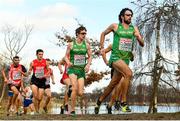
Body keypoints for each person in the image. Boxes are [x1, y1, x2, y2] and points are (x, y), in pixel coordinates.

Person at [95, 8, 144, 114]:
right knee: (129, 74)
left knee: (113, 84)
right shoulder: (115, 26)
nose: (130, 17)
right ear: (122, 16)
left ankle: (99, 101)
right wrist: (102, 47)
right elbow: (103, 33)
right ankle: (123, 102)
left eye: (131, 15)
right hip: (115, 58)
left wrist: (138, 37)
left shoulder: (134, 28)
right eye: (127, 15)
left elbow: (142, 43)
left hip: (125, 60)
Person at [65, 26, 92, 115]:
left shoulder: (87, 45)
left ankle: (70, 90)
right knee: (75, 88)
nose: (84, 35)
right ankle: (72, 110)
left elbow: (90, 56)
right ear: (77, 34)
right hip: (72, 69)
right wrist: (68, 62)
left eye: (85, 33)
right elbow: (65, 56)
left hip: (81, 70)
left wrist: (88, 65)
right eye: (82, 33)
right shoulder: (71, 44)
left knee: (80, 93)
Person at [28, 49, 48, 113]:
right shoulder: (33, 62)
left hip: (42, 80)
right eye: (39, 54)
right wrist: (28, 72)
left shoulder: (46, 62)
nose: (41, 56)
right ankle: (36, 111)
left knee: (39, 98)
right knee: (35, 96)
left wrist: (45, 75)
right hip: (34, 80)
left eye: (42, 54)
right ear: (36, 54)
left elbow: (48, 70)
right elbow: (30, 70)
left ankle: (38, 107)